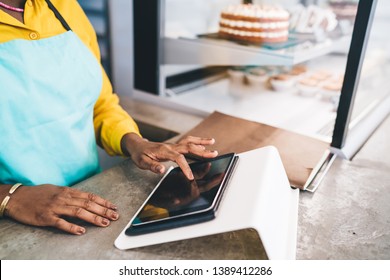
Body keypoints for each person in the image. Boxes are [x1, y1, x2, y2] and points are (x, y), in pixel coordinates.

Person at [0, 0, 217, 235]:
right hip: (15, 221)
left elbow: (100, 105)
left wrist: (136, 143)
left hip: (89, 197)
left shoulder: (63, 7)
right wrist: (12, 197)